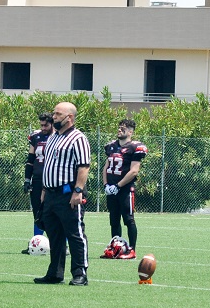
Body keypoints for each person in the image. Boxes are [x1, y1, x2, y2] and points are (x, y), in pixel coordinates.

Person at [35, 101, 91, 286]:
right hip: (51, 194)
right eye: (54, 113)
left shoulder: (78, 138)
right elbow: (49, 165)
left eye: (58, 114)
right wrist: (44, 190)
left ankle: (80, 273)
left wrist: (78, 191)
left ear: (69, 117)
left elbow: (84, 167)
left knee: (75, 234)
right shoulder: (53, 137)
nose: (54, 117)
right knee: (54, 234)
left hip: (68, 194)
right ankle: (55, 273)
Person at [100, 118, 147, 260]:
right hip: (111, 189)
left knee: (128, 219)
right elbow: (106, 167)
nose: (119, 130)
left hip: (125, 190)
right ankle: (115, 248)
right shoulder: (111, 146)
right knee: (114, 220)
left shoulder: (135, 147)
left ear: (130, 132)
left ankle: (132, 250)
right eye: (119, 127)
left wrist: (118, 185)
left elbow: (134, 171)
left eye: (123, 128)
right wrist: (106, 185)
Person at [21, 113, 53, 254]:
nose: (43, 128)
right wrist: (27, 179)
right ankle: (35, 243)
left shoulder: (58, 137)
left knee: (55, 213)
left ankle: (61, 246)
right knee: (37, 212)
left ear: (52, 124)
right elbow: (30, 160)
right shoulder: (36, 137)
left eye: (46, 125)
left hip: (52, 181)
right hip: (38, 180)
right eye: (41, 125)